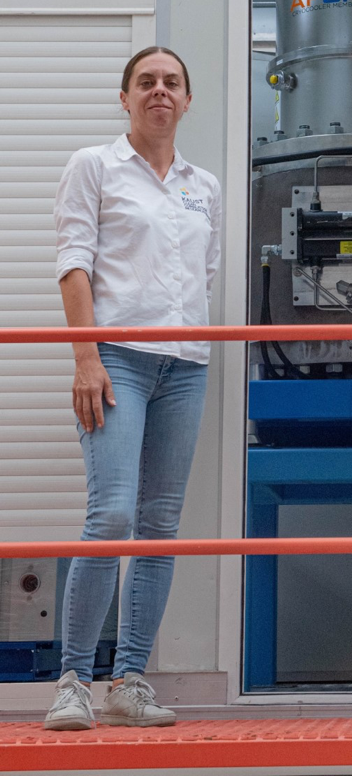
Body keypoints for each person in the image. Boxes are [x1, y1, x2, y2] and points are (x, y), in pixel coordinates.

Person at [44, 47, 221, 730]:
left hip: (186, 366)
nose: (159, 91)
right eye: (145, 82)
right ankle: (74, 681)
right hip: (116, 358)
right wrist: (85, 358)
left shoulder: (202, 184)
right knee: (111, 516)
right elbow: (74, 262)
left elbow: (202, 274)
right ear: (125, 98)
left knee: (159, 527)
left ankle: (131, 680)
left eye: (172, 82)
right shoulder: (94, 166)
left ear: (186, 99)